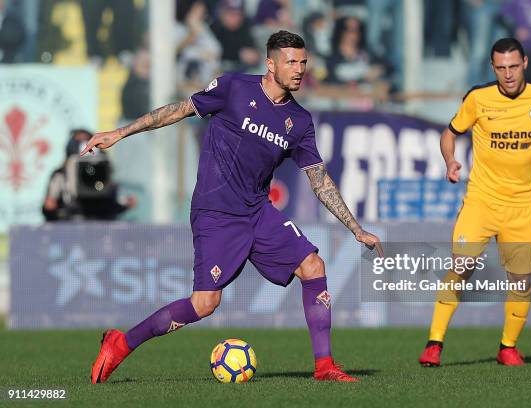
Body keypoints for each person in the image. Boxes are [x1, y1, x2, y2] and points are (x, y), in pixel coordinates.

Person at [85, 30, 383, 383]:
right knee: (204, 304)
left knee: (313, 265)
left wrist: (355, 228)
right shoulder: (234, 88)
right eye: (291, 62)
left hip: (256, 211)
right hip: (216, 212)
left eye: (303, 62)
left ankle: (325, 367)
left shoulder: (299, 122)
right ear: (270, 64)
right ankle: (122, 342)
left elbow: (319, 180)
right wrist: (119, 133)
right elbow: (179, 110)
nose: (300, 69)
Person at [418, 38, 531, 367]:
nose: (508, 74)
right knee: (461, 267)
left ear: (525, 64)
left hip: (521, 207)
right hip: (481, 201)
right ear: (493, 67)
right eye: (501, 68)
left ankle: (507, 347)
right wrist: (449, 161)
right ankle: (434, 343)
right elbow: (450, 133)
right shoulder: (478, 98)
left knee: (520, 281)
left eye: (513, 66)